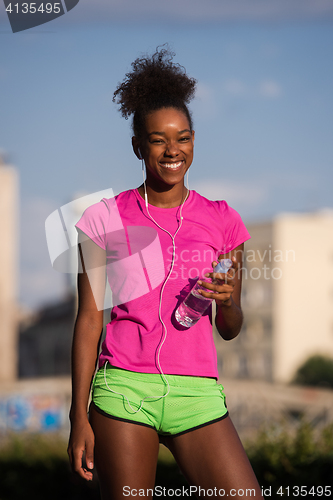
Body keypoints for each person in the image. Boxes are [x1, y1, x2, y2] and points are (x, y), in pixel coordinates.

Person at [67, 46, 264, 500]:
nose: (173, 150)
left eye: (184, 137)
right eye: (158, 139)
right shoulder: (104, 219)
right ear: (138, 146)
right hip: (123, 391)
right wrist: (79, 416)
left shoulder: (222, 219)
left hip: (197, 394)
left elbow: (230, 330)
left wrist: (229, 301)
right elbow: (89, 320)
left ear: (194, 141)